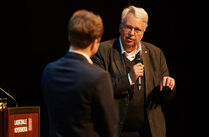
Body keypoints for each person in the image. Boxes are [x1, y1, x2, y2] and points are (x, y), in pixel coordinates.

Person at [92, 5, 176, 137]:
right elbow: (98, 90)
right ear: (120, 28)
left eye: (137, 29)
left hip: (149, 131)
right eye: (128, 27)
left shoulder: (155, 53)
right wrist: (129, 78)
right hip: (115, 131)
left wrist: (168, 87)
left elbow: (163, 98)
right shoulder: (102, 51)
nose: (131, 33)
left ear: (143, 32)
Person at [41, 9, 118, 137]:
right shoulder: (98, 77)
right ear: (95, 42)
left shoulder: (49, 71)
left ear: (70, 36)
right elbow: (110, 130)